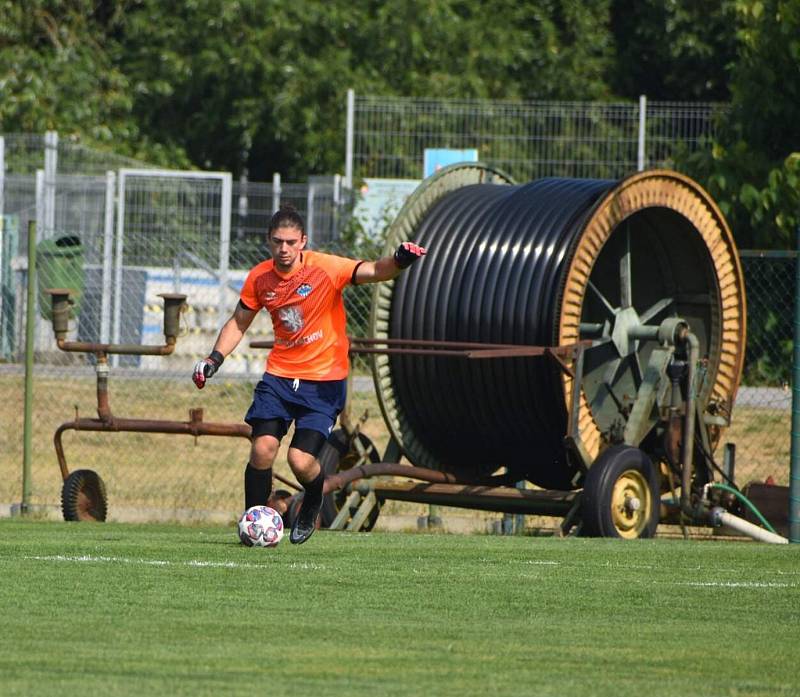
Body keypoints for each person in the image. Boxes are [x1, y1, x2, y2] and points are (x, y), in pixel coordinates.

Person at [192, 204, 426, 545]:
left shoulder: (326, 268)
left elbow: (377, 270)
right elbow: (239, 322)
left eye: (290, 242)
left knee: (300, 461)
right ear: (269, 242)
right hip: (279, 378)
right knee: (262, 450)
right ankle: (253, 526)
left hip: (324, 382)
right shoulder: (260, 277)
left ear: (303, 241)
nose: (284, 249)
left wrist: (400, 260)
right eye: (277, 242)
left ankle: (313, 497)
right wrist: (213, 359)